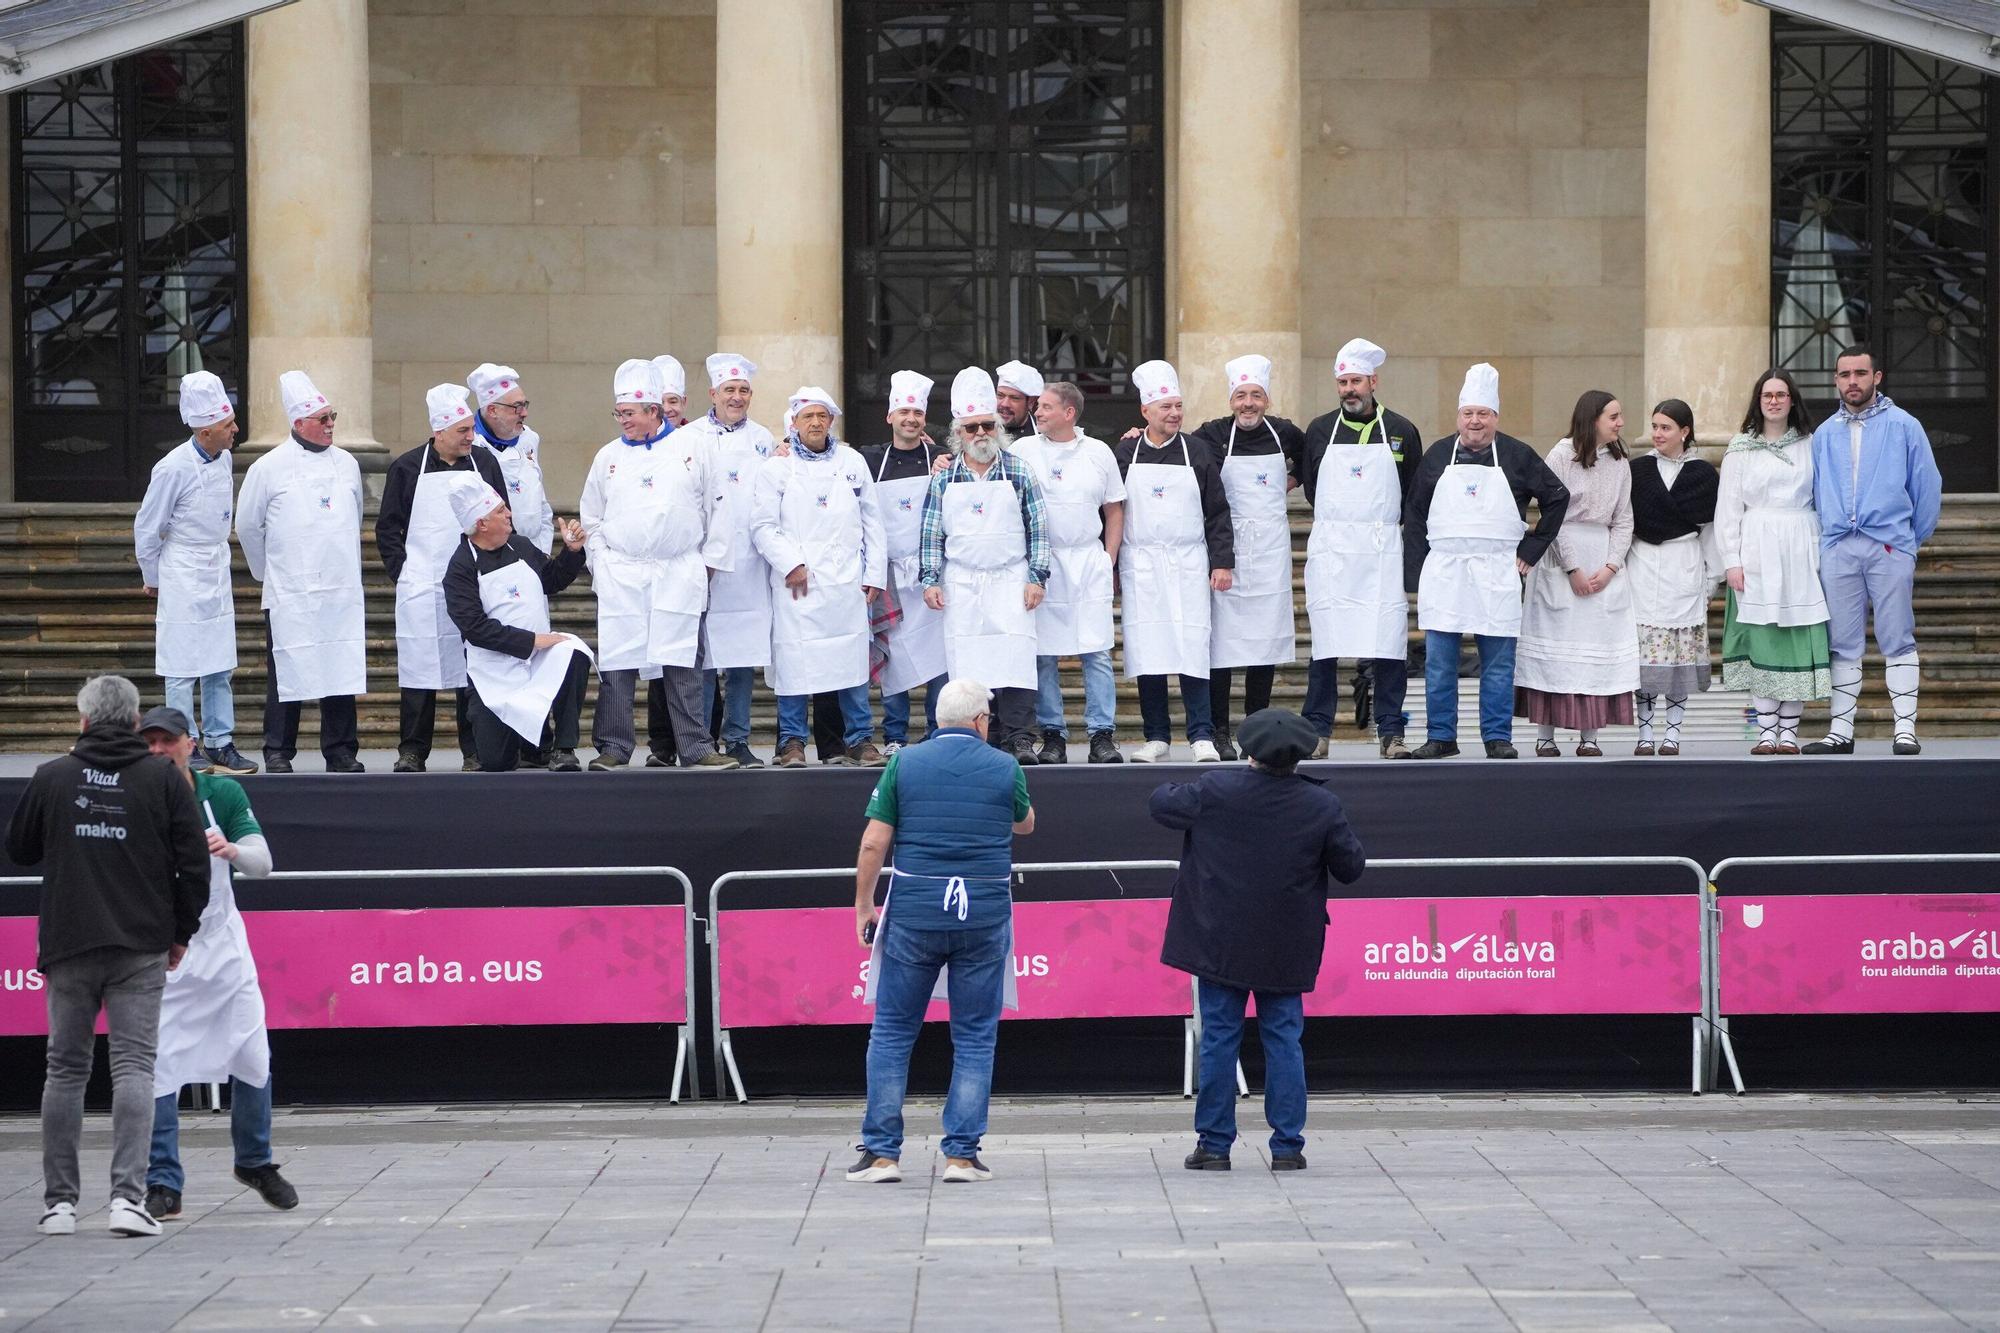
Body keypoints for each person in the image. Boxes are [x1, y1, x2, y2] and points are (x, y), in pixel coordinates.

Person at [7, 676, 209, 1238]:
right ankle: (127, 1199)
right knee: (135, 1067)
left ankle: (59, 1206)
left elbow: (18, 849)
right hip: (141, 944)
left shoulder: (53, 776)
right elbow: (194, 866)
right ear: (134, 721)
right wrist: (181, 933)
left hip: (69, 942)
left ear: (84, 720)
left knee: (65, 1070)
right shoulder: (163, 779)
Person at [1151, 708, 1365, 1172]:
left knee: (1219, 1039)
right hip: (1287, 943)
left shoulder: (1215, 789)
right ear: (1299, 757)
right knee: (1284, 1040)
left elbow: (1161, 803)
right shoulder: (1321, 805)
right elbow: (1351, 868)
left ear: (1248, 752)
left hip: (1219, 940)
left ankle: (1214, 1145)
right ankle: (1287, 1147)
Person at [849, 677, 1035, 1186]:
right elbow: (1026, 824)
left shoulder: (904, 763)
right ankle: (961, 1157)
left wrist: (864, 905)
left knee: (892, 1033)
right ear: (979, 721)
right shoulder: (1005, 766)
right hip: (983, 915)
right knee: (974, 1037)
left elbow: (873, 843)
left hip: (915, 913)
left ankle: (882, 1155)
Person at [136, 705, 297, 1222]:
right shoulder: (130, 799)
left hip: (223, 949)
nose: (158, 750)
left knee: (252, 1054)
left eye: (167, 741)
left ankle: (254, 1161)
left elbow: (263, 864)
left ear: (190, 744)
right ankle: (163, 1182)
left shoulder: (221, 793)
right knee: (160, 1064)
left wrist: (231, 850)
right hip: (164, 953)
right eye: (148, 742)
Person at [1404, 364, 1569, 760]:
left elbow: (1557, 497)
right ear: (1458, 416)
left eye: (1483, 413)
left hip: (1497, 570)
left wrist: (1532, 549)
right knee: (1439, 662)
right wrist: (1417, 572)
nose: (1474, 421)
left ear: (1495, 416)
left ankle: (1497, 737)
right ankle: (1441, 736)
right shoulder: (1437, 455)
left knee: (1497, 662)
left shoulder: (1517, 455)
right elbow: (1415, 512)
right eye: (1468, 413)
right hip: (1445, 571)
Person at [580, 359, 736, 771]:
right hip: (623, 573)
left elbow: (718, 506)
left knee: (682, 662)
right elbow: (591, 516)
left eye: (629, 413)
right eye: (618, 413)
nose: (622, 421)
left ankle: (696, 747)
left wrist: (707, 564)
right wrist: (601, 563)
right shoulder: (608, 457)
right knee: (618, 663)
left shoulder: (693, 448)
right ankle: (614, 747)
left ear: (654, 411)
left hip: (678, 570)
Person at [1803, 346, 1943, 756]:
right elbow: (1815, 491)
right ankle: (1840, 731)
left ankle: (1905, 729)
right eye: (1845, 374)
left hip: (1889, 545)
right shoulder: (1824, 433)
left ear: (1876, 377)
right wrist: (1829, 536)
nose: (1852, 381)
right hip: (1839, 547)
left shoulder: (1904, 426)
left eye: (1860, 373)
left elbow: (1927, 487)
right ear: (1836, 379)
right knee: (1842, 641)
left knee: (1897, 635)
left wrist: (1907, 543)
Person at [235, 371, 367, 774]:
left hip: (340, 587)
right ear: (298, 423)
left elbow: (356, 515)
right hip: (291, 590)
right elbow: (247, 526)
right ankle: (278, 749)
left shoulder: (347, 464)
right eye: (323, 419)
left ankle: (341, 750)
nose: (330, 425)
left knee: (340, 667)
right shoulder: (268, 467)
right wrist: (267, 572)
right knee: (287, 669)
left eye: (332, 417)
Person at [1300, 338, 1425, 759]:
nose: (1349, 390)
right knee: (1325, 644)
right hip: (1333, 549)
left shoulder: (1402, 429)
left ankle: (1391, 732)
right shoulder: (1320, 429)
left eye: (1355, 381)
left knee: (1388, 643)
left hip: (1381, 549)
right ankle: (1316, 732)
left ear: (1373, 381)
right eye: (1343, 383)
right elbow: (1312, 487)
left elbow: (1413, 493)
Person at [919, 368, 1051, 763]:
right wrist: (930, 580)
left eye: (987, 425)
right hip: (962, 582)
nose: (980, 433)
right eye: (972, 427)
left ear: (998, 428)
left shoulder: (1019, 470)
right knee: (969, 665)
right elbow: (931, 534)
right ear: (958, 433)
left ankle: (1019, 737)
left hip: (1011, 579)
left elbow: (1039, 528)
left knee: (1016, 660)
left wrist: (1037, 577)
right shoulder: (943, 479)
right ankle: (980, 737)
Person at [754, 386, 888, 768]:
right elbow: (762, 526)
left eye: (822, 416)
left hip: (847, 583)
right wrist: (791, 564)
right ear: (794, 422)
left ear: (831, 421)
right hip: (798, 586)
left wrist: (874, 574)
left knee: (851, 663)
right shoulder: (776, 469)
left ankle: (860, 739)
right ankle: (792, 742)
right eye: (808, 416)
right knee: (794, 662)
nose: (815, 422)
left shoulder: (852, 462)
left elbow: (873, 522)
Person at [377, 384, 506, 773]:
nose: (471, 437)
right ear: (440, 431)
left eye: (471, 429)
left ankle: (475, 749)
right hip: (422, 583)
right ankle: (413, 751)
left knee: (473, 668)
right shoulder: (406, 467)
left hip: (475, 581)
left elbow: (503, 517)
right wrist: (403, 572)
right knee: (418, 668)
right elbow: (388, 528)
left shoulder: (484, 464)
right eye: (463, 430)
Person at [1114, 359, 1235, 762]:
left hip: (1187, 562)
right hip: (1141, 564)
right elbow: (1110, 510)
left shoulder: (1196, 451)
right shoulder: (1125, 452)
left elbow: (1217, 510)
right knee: (1148, 650)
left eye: (1179, 406)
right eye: (1165, 407)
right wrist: (1110, 565)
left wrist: (1222, 562)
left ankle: (1201, 734)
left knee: (1192, 647)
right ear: (1145, 411)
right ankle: (1156, 736)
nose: (1174, 413)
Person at [136, 370, 255, 776]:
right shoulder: (172, 468)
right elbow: (148, 526)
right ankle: (184, 743)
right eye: (228, 425)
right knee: (182, 664)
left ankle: (220, 741)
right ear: (205, 432)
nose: (235, 430)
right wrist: (152, 576)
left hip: (215, 566)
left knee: (220, 662)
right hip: (182, 568)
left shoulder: (225, 458)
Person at [1188, 355, 1302, 760]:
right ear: (1231, 400)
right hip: (1227, 548)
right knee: (1221, 645)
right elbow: (1176, 451)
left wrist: (1290, 481)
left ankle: (1256, 728)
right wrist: (1136, 435)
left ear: (1266, 400)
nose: (1248, 403)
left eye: (1255, 395)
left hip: (1270, 552)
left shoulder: (1286, 433)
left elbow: (1311, 462)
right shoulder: (1212, 434)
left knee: (1264, 645)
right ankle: (1219, 730)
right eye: (1241, 396)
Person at [1515, 391, 1639, 757]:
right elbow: (1554, 514)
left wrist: (1611, 566)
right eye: (1613, 416)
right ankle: (1545, 734)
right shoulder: (1561, 455)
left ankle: (1590, 735)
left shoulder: (1619, 462)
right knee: (1556, 646)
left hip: (1602, 556)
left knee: (1597, 642)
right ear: (1592, 418)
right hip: (1561, 556)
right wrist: (1572, 568)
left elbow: (1624, 519)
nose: (1620, 423)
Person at [1717, 370, 1831, 754]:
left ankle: (1789, 733)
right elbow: (1728, 509)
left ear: (1792, 400)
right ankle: (1766, 731)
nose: (1774, 401)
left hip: (1800, 546)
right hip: (1756, 548)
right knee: (1762, 637)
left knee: (1797, 637)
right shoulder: (1741, 447)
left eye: (1781, 394)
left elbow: (1824, 497)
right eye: (1767, 395)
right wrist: (1731, 560)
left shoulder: (1810, 444)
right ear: (1758, 401)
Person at [443, 482, 593, 772]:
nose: (509, 513)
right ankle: (524, 743)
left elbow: (551, 579)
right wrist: (532, 640)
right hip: (493, 671)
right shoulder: (461, 567)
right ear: (482, 523)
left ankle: (564, 748)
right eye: (501, 511)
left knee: (573, 653)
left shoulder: (521, 546)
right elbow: (475, 628)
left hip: (539, 658)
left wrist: (572, 552)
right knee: (496, 761)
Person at [1012, 380, 1125, 764]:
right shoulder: (1023, 450)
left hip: (1088, 561)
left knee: (1097, 651)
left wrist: (1109, 558)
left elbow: (1114, 508)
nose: (1038, 412)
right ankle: (1053, 736)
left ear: (1069, 412)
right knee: (1043, 654)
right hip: (1041, 564)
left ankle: (1101, 735)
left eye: (1045, 406)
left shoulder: (1098, 452)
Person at [467, 363, 561, 768]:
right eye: (516, 406)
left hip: (528, 560)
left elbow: (540, 505)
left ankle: (538, 740)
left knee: (537, 654)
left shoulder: (530, 440)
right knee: (493, 655)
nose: (524, 413)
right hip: (489, 563)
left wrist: (539, 555)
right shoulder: (471, 446)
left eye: (525, 404)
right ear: (491, 410)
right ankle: (485, 744)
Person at [685, 353, 777, 767]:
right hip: (705, 563)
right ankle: (701, 740)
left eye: (743, 390)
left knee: (742, 659)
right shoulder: (690, 437)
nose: (736, 397)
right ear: (713, 394)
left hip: (749, 565)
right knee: (703, 660)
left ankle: (738, 739)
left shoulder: (764, 439)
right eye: (729, 390)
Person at [858, 370, 948, 752]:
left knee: (939, 657)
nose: (910, 419)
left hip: (931, 574)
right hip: (890, 576)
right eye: (904, 412)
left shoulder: (940, 459)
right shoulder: (869, 460)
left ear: (924, 419)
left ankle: (936, 730)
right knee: (893, 653)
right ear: (890, 416)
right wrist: (784, 445)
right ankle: (894, 734)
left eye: (917, 413)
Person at [1627, 399, 1720, 755]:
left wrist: (1711, 579)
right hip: (1643, 565)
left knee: (1678, 659)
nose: (1657, 433)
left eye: (1665, 427)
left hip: (1684, 564)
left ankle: (1673, 734)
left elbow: (1710, 532)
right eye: (1654, 426)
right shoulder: (1638, 470)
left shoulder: (1702, 475)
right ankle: (1645, 733)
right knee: (1645, 660)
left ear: (1684, 431)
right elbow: (1626, 522)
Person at [993, 360, 1043, 434]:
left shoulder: (1044, 434)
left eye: (1014, 398)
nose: (1005, 404)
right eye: (1000, 395)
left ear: (1030, 402)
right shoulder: (981, 430)